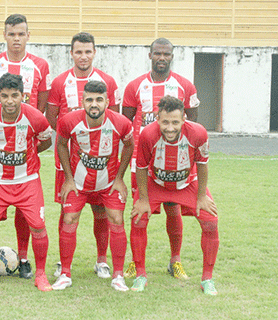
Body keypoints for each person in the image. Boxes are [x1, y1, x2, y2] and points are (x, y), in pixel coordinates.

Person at [122, 38, 200, 280]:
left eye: (167, 54)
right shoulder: (134, 86)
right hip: (141, 161)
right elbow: (126, 124)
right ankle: (136, 263)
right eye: (158, 53)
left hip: (175, 161)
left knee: (173, 209)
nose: (162, 58)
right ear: (150, 55)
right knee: (139, 211)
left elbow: (193, 125)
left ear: (172, 56)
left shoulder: (185, 86)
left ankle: (175, 261)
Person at [0, 13, 51, 278]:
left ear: (28, 36)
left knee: (27, 211)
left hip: (27, 149)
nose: (17, 39)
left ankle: (23, 259)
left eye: (21, 34)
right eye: (12, 34)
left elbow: (41, 107)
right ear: (4, 36)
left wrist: (28, 138)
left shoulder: (40, 65)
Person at [46, 32, 121, 279]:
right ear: (71, 53)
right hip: (69, 160)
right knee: (67, 209)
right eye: (78, 51)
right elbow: (53, 120)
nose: (83, 56)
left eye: (88, 51)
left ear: (94, 52)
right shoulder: (59, 83)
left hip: (101, 161)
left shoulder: (107, 81)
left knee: (101, 211)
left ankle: (101, 260)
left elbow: (116, 121)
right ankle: (62, 261)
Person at [0, 73, 53, 292]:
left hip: (27, 180)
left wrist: (29, 155)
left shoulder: (35, 117)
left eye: (14, 95)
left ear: (23, 96)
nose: (9, 101)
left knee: (37, 226)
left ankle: (41, 275)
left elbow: (46, 140)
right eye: (5, 96)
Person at [130, 96, 219, 295]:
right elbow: (142, 167)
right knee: (138, 218)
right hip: (156, 183)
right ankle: (140, 275)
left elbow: (203, 165)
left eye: (175, 122)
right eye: (165, 122)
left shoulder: (198, 132)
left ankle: (207, 279)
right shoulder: (147, 134)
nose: (170, 128)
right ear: (157, 119)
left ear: (184, 119)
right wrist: (143, 200)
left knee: (210, 221)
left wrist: (202, 195)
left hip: (187, 183)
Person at [53, 81, 133, 291]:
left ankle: (115, 273)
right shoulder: (68, 121)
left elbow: (129, 145)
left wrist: (119, 178)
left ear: (107, 101)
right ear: (82, 101)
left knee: (115, 219)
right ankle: (65, 274)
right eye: (89, 100)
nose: (94, 104)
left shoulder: (121, 123)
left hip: (107, 184)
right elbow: (61, 144)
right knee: (69, 218)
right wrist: (68, 179)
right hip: (78, 183)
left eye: (99, 100)